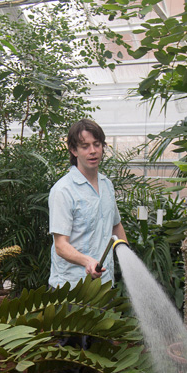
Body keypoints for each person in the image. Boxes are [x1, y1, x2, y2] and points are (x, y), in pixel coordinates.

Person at [48, 119, 128, 288]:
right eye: (85, 146)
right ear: (73, 150)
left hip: (104, 285)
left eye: (97, 145)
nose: (93, 151)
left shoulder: (107, 185)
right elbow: (61, 245)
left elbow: (115, 225)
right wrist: (87, 262)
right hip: (70, 289)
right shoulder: (63, 190)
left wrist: (126, 252)